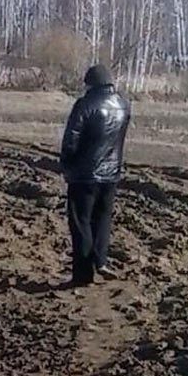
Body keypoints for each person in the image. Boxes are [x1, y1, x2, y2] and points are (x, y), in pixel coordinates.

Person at [60, 64, 131, 286]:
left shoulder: (84, 105)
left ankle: (82, 276)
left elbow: (71, 139)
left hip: (84, 175)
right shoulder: (123, 104)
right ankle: (101, 260)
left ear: (90, 83)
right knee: (102, 219)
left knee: (81, 223)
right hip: (111, 174)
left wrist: (67, 166)